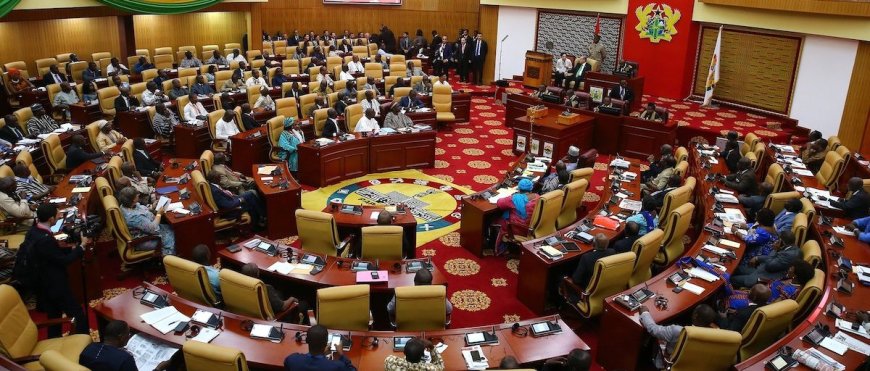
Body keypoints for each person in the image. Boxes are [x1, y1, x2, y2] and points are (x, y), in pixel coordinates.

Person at [26, 203, 90, 336]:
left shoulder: (33, 231)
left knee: (54, 315)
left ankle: (54, 340)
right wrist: (81, 247)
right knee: (78, 314)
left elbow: (49, 255)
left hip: (42, 282)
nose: (59, 217)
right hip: (54, 284)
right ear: (51, 219)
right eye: (57, 215)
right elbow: (63, 261)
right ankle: (85, 342)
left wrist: (64, 249)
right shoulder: (45, 240)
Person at [639, 304, 718, 370]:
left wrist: (645, 313)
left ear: (695, 316)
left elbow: (653, 329)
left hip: (670, 364)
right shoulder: (715, 336)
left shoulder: (677, 331)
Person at [724, 260, 814, 310]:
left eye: (791, 268)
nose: (789, 269)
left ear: (795, 274)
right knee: (728, 290)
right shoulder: (790, 278)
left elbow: (773, 306)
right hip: (758, 293)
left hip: (760, 302)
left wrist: (757, 295)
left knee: (730, 299)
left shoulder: (790, 290)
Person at [731, 231, 800, 288]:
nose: (777, 241)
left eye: (779, 240)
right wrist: (757, 258)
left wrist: (775, 250)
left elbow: (770, 266)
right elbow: (772, 259)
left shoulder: (789, 255)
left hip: (764, 278)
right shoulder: (791, 248)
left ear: (783, 243)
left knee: (731, 279)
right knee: (735, 268)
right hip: (761, 270)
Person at [118, 187, 175, 255]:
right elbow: (154, 229)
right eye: (137, 196)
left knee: (174, 227)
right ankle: (169, 258)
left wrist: (152, 206)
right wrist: (159, 214)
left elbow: (141, 209)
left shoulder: (126, 205)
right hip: (147, 239)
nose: (138, 195)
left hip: (150, 228)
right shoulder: (134, 217)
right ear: (133, 200)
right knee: (175, 234)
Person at [387, 268, 452, 327]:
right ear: (431, 283)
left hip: (408, 329)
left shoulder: (401, 293)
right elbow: (449, 309)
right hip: (433, 329)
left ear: (415, 282)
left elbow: (390, 309)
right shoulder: (439, 293)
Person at [495, 178, 539, 255]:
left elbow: (499, 203)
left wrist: (512, 196)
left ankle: (501, 249)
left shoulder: (514, 198)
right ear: (531, 188)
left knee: (497, 219)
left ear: (518, 188)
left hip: (518, 228)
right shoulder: (537, 196)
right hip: (534, 227)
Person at [283, 325, 356, 370]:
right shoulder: (337, 366)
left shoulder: (292, 360)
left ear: (307, 340)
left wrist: (323, 355)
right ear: (326, 342)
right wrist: (342, 355)